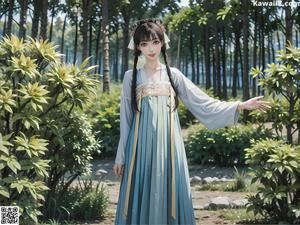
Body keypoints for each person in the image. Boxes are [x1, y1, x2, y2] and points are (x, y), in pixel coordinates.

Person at [113, 18, 270, 225]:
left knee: (168, 192)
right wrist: (121, 156)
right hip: (139, 149)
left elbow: (202, 102)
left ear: (162, 42)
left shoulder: (173, 75)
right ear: (138, 47)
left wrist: (239, 105)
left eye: (155, 42)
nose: (150, 48)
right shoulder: (130, 77)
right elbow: (126, 118)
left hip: (169, 148)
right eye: (144, 43)